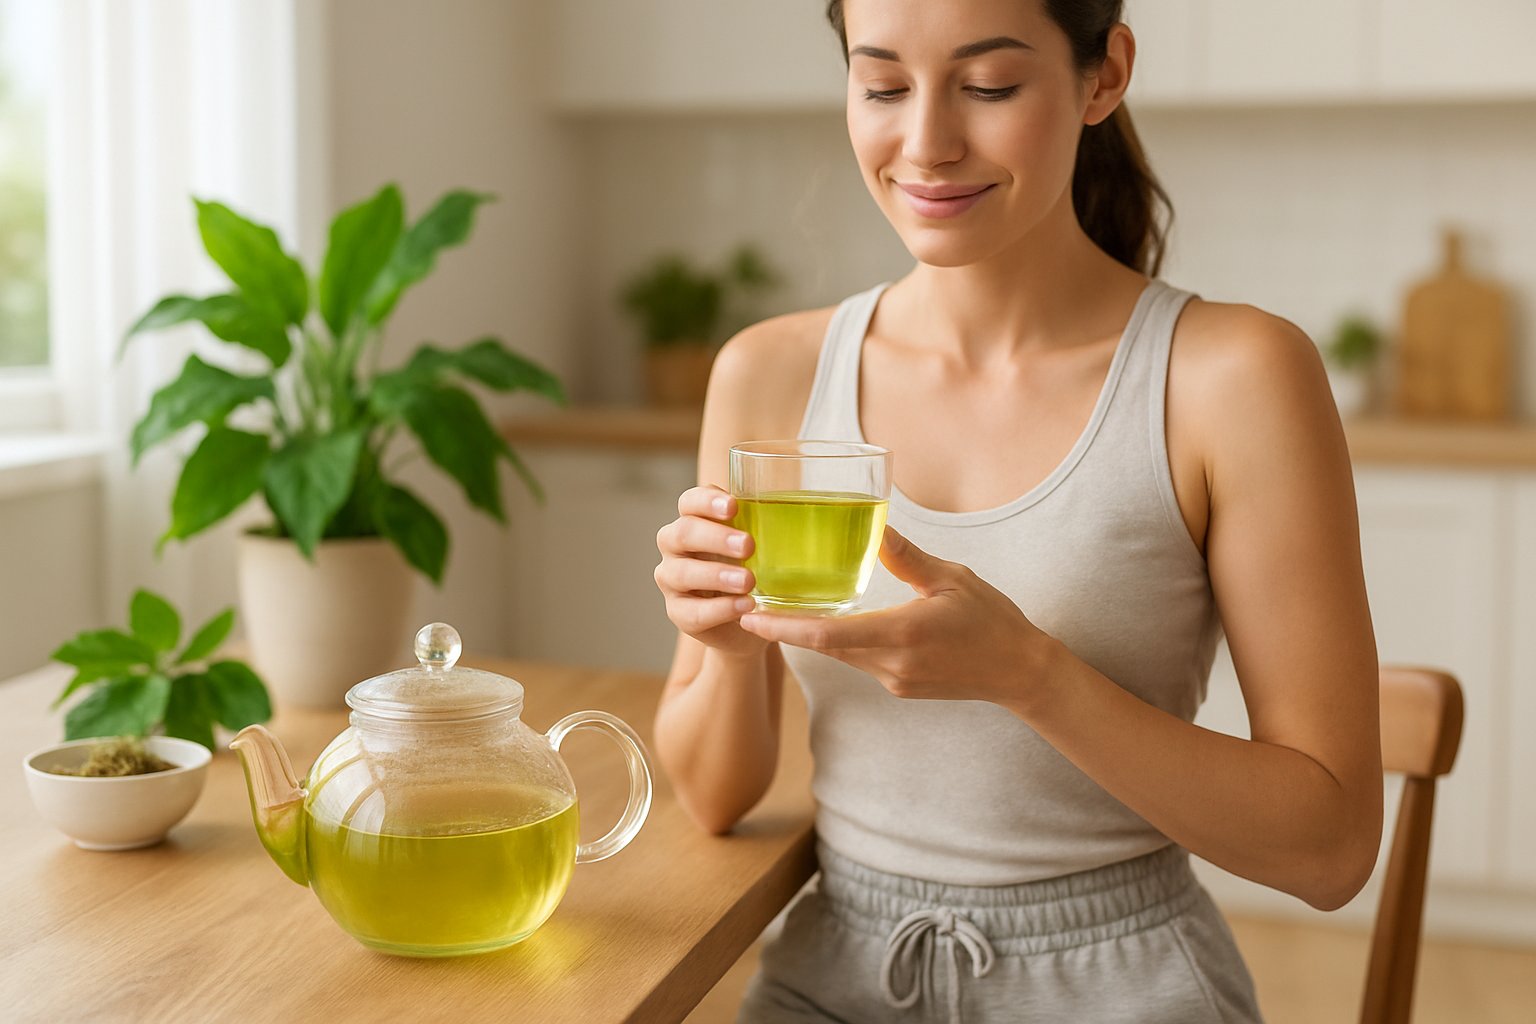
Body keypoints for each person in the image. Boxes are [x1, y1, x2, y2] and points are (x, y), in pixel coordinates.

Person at [651, 1, 1381, 1020]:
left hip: (1124, 986)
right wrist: (727, 646)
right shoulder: (770, 375)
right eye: (883, 86)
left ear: (1103, 75)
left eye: (988, 86)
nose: (927, 143)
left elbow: (1332, 847)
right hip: (835, 978)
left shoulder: (1230, 377)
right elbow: (713, 795)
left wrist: (1031, 675)